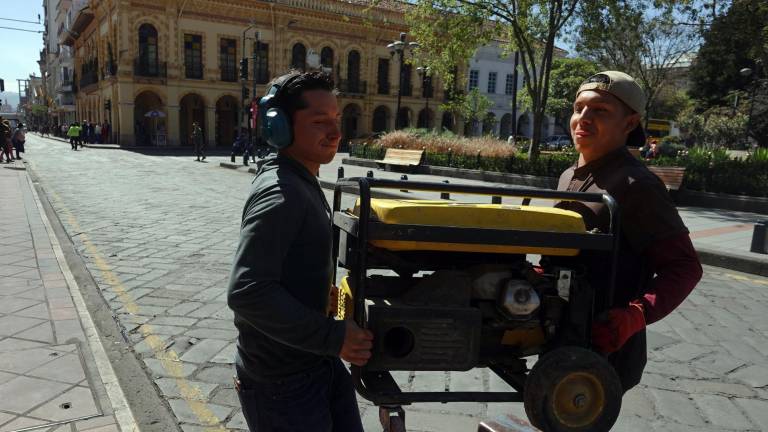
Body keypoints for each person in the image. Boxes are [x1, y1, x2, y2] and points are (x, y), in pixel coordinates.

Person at [227, 71, 371, 432]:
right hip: (283, 385)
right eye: (319, 122)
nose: (335, 132)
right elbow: (247, 292)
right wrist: (333, 337)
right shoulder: (282, 194)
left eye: (336, 119)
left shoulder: (300, 179)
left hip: (313, 363)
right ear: (279, 127)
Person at [553, 71, 702, 392]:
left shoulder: (638, 185)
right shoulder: (569, 176)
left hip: (605, 348)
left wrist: (634, 316)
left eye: (600, 111)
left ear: (630, 123)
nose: (583, 118)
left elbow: (685, 267)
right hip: (559, 337)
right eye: (579, 108)